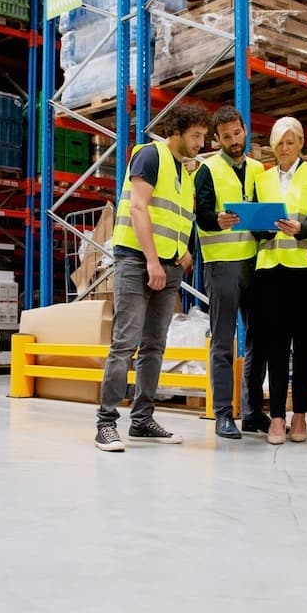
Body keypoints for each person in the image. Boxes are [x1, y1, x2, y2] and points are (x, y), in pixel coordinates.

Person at [95, 103, 210, 453]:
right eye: (196, 136)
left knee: (154, 346)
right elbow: (138, 208)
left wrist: (185, 251)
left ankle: (142, 420)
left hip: (170, 265)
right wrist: (151, 260)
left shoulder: (186, 173)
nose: (201, 143)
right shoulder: (150, 156)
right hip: (136, 261)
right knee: (125, 343)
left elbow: (178, 218)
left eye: (204, 137)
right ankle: (106, 423)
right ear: (177, 131)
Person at [251, 116, 307, 445]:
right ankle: (278, 417)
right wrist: (265, 227)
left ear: (300, 144)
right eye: (279, 142)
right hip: (270, 268)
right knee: (275, 345)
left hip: (305, 268)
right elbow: (254, 225)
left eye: (290, 141)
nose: (284, 148)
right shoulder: (263, 178)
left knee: (304, 343)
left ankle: (300, 415)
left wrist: (302, 229)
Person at [193, 105, 268, 439]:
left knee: (258, 340)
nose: (234, 140)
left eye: (237, 133)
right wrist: (216, 220)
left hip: (255, 262)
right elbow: (203, 216)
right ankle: (224, 414)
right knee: (223, 341)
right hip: (222, 264)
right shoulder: (207, 170)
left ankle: (252, 411)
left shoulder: (258, 170)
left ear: (244, 129)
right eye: (226, 137)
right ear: (217, 139)